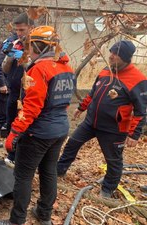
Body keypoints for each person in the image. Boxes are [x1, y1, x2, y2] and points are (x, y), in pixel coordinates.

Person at [0, 26, 75, 225]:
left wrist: (14, 132)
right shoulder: (65, 67)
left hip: (38, 132)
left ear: (39, 47)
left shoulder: (40, 69)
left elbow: (31, 106)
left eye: (30, 46)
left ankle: (17, 220)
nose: (28, 50)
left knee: (23, 175)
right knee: (49, 171)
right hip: (59, 128)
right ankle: (44, 214)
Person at [57, 40, 147, 198]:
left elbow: (142, 110)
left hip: (114, 129)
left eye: (116, 54)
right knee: (72, 143)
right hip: (91, 122)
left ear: (126, 58)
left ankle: (108, 189)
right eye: (111, 52)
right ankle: (59, 170)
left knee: (113, 160)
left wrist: (134, 134)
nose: (111, 56)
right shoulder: (106, 70)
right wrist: (81, 108)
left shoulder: (138, 80)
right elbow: (93, 92)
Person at [0, 13, 34, 151]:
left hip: (29, 93)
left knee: (25, 126)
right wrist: (10, 58)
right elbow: (2, 68)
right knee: (9, 121)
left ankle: (21, 153)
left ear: (31, 27)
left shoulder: (37, 45)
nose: (18, 33)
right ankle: (11, 153)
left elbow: (37, 70)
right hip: (13, 92)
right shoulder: (13, 43)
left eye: (22, 30)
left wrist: (25, 60)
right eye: (16, 30)